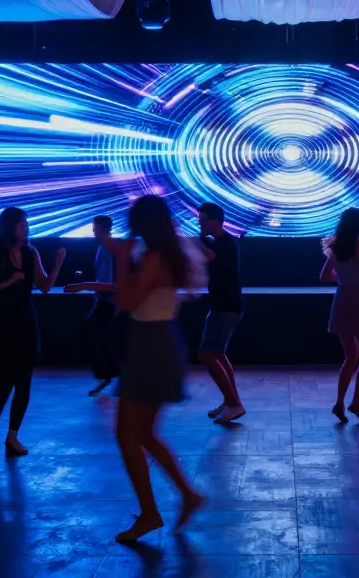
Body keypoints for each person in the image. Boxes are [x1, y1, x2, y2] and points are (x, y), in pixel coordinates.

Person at [110, 195, 208, 543]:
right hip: (156, 341)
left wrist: (119, 260)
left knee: (127, 434)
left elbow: (127, 302)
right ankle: (186, 495)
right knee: (144, 433)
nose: (129, 226)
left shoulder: (153, 257)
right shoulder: (166, 254)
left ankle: (152, 513)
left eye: (133, 220)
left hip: (150, 346)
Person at [0, 207, 65, 456]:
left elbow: (44, 286)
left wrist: (58, 264)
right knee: (5, 381)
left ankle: (13, 435)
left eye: (26, 224)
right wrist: (5, 283)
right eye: (21, 224)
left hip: (24, 321)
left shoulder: (30, 253)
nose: (26, 227)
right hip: (1, 323)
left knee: (24, 381)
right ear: (9, 226)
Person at [321, 207, 359, 423]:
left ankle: (339, 402)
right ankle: (355, 403)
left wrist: (343, 279)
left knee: (350, 357)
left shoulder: (336, 248)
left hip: (342, 300)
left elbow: (324, 276)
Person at [197, 202, 246, 424]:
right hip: (223, 306)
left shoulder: (223, 244)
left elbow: (207, 258)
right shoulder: (223, 243)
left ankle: (234, 403)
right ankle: (231, 401)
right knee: (217, 354)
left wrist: (193, 245)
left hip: (225, 307)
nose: (199, 222)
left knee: (206, 354)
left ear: (214, 220)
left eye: (203, 218)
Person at [64, 215, 123, 396]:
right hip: (107, 298)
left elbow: (109, 279)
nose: (92, 229)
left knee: (90, 334)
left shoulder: (108, 247)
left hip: (109, 299)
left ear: (101, 227)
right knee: (94, 335)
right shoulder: (105, 246)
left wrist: (86, 288)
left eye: (94, 226)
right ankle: (112, 372)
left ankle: (112, 372)